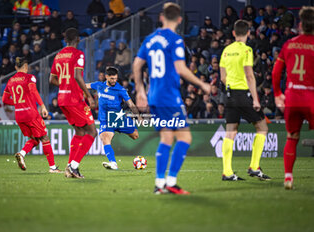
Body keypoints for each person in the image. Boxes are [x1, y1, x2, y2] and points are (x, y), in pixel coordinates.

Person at [133, 3, 211, 195]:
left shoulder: (150, 40)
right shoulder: (175, 40)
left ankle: (160, 184)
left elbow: (136, 64)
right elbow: (181, 69)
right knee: (185, 137)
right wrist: (203, 85)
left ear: (161, 17)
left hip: (154, 96)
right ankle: (171, 182)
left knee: (166, 138)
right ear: (179, 20)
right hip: (169, 96)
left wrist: (140, 90)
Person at [219, 20, 271, 181]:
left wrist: (231, 86)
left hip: (229, 95)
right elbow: (249, 75)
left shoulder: (226, 51)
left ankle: (227, 172)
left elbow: (222, 77)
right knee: (262, 128)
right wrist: (255, 99)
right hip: (243, 94)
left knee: (230, 132)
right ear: (248, 33)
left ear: (234, 33)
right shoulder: (247, 50)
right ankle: (254, 166)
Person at [272, 6, 314, 190]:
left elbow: (275, 72)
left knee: (292, 137)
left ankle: (288, 177)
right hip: (311, 96)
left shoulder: (289, 44)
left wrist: (277, 94)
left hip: (292, 97)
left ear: (300, 24)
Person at [49, 28, 97, 179]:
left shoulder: (58, 55)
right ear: (78, 39)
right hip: (75, 99)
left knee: (80, 132)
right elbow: (77, 76)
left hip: (62, 99)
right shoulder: (78, 54)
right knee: (92, 132)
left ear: (65, 39)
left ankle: (70, 168)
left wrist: (64, 86)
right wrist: (89, 96)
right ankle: (73, 166)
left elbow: (51, 79)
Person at [2, 57, 61, 173]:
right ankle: (53, 168)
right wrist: (43, 106)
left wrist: (18, 102)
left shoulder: (10, 81)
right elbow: (33, 91)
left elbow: (5, 99)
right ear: (25, 66)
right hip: (30, 113)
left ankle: (22, 153)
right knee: (44, 137)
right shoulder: (30, 78)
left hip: (19, 115)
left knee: (34, 139)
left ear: (15, 67)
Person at [86, 66, 140, 170]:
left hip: (117, 118)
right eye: (112, 78)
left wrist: (139, 117)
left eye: (116, 78)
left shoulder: (120, 89)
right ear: (106, 77)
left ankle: (122, 128)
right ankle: (113, 163)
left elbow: (131, 104)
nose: (114, 80)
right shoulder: (99, 85)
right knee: (105, 138)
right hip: (105, 119)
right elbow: (84, 85)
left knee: (135, 136)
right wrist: (70, 85)